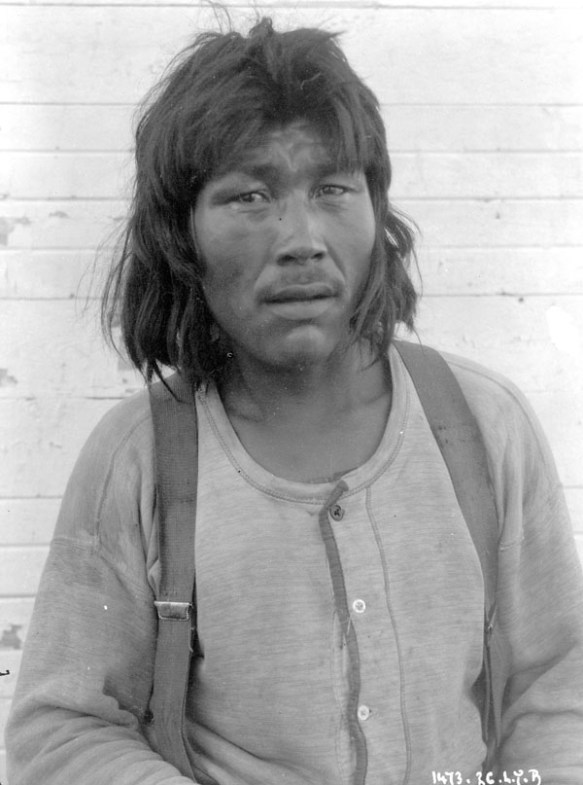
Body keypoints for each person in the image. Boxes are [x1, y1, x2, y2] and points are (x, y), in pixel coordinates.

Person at [6, 17, 583, 785]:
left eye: (333, 187)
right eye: (248, 195)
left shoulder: (483, 424)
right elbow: (64, 725)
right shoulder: (138, 458)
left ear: (378, 214)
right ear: (183, 239)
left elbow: (556, 687)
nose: (301, 237)